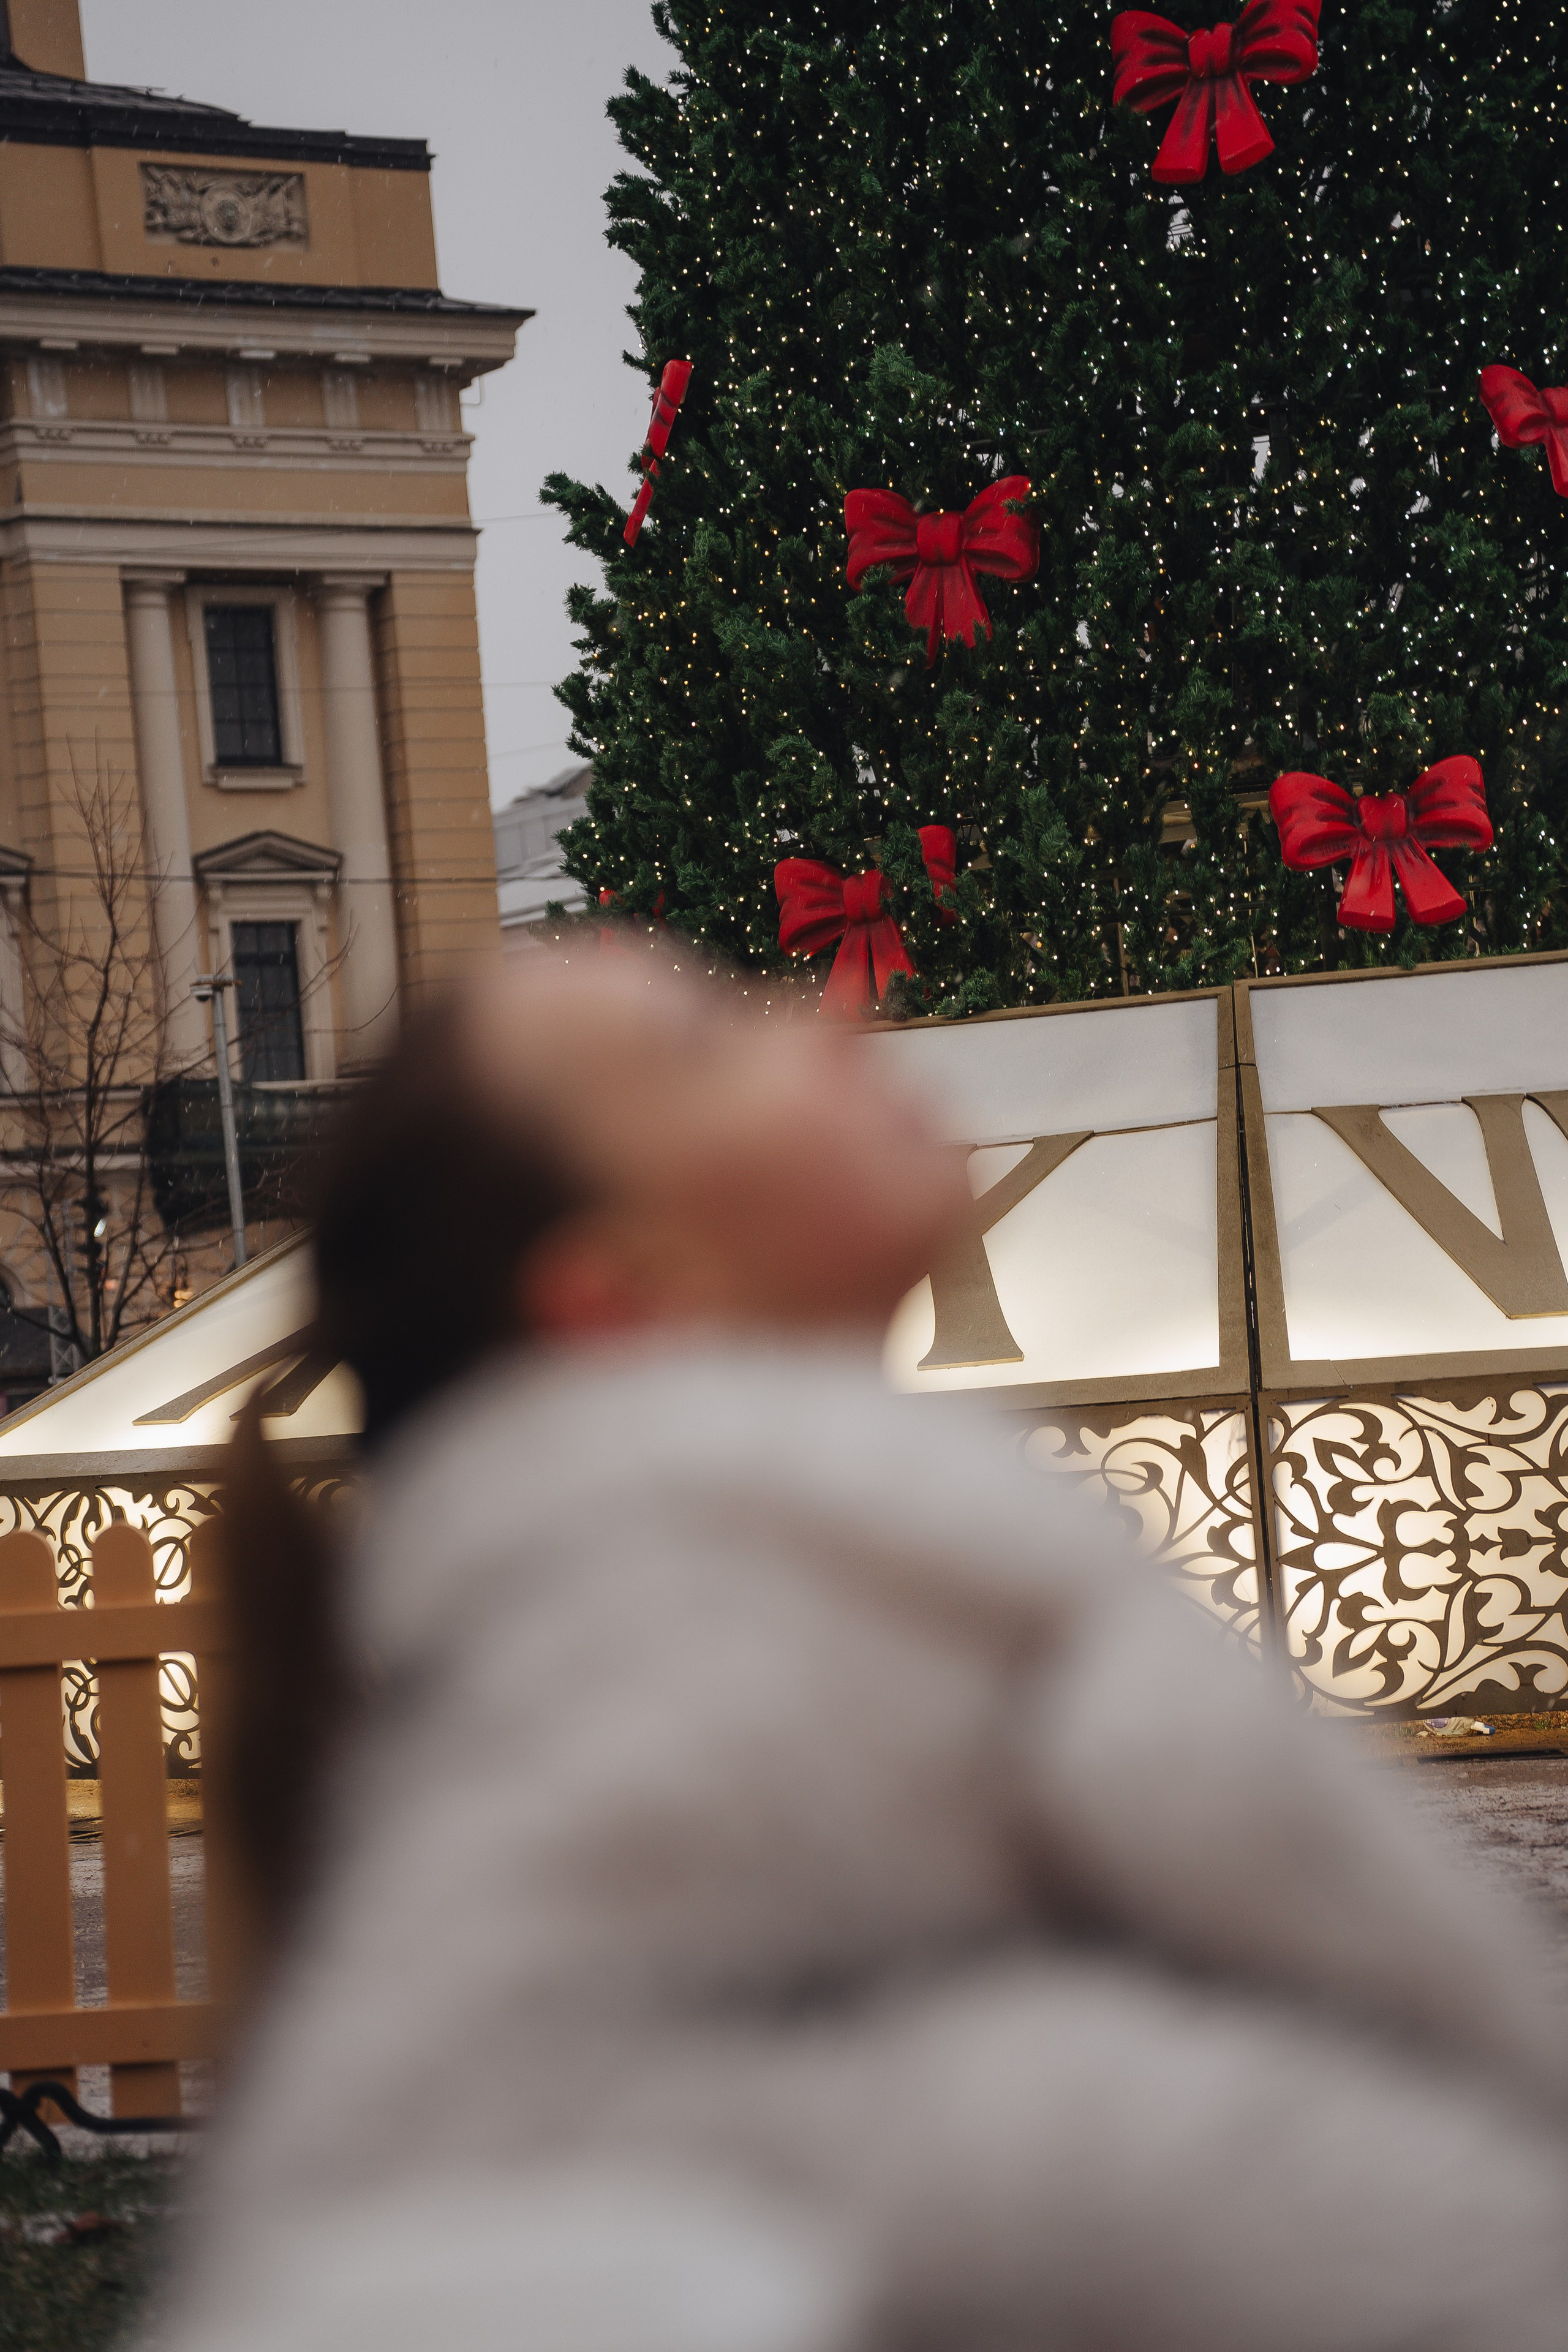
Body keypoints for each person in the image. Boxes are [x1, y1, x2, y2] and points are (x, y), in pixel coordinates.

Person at [153, 954, 1568, 2352]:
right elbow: (530, 2160)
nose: (833, 1022)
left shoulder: (755, 1579)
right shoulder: (696, 1626)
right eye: (701, 1047)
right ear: (627, 1288)